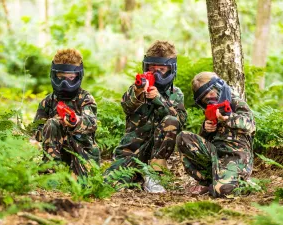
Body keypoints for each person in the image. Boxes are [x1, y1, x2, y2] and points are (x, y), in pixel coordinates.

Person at [107, 41, 187, 193]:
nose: (156, 74)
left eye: (161, 69)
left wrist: (159, 99)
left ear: (171, 69)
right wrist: (138, 92)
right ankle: (139, 176)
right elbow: (126, 106)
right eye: (152, 69)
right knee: (111, 183)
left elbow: (180, 121)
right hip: (132, 150)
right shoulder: (137, 88)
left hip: (155, 152)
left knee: (171, 121)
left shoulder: (176, 94)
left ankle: (154, 175)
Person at [176, 72, 256, 197]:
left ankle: (243, 182)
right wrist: (205, 129)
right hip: (215, 156)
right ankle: (208, 181)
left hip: (235, 156)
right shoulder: (211, 110)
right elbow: (201, 142)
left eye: (211, 93)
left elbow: (250, 125)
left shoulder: (235, 102)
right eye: (205, 98)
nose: (209, 98)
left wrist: (227, 118)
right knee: (183, 137)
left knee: (222, 191)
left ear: (219, 87)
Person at [34, 48, 100, 177]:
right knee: (52, 123)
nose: (65, 82)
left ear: (78, 76)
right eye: (61, 77)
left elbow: (92, 123)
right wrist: (54, 126)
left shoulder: (85, 98)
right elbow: (37, 134)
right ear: (54, 75)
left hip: (83, 154)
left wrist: (75, 121)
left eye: (70, 77)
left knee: (82, 183)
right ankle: (51, 172)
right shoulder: (47, 101)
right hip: (57, 154)